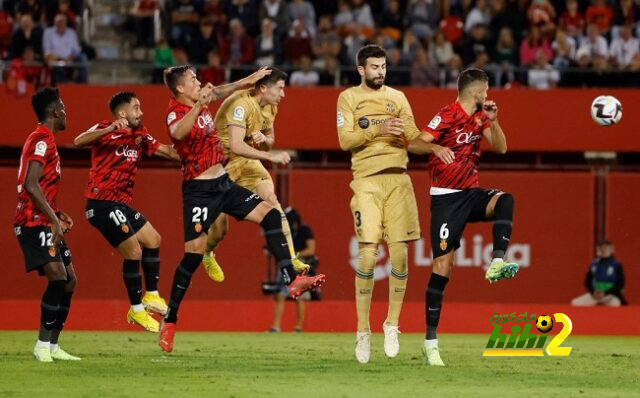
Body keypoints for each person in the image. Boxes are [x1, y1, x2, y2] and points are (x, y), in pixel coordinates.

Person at [159, 65, 325, 352]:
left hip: (223, 183)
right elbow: (177, 132)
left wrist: (245, 81)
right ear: (180, 89)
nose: (199, 82)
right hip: (199, 192)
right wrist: (199, 104)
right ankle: (170, 319)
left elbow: (220, 91)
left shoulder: (206, 100)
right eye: (192, 80)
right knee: (191, 259)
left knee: (271, 212)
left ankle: (292, 279)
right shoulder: (176, 110)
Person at [408, 68, 519, 366]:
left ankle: (496, 260)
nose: (489, 95)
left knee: (505, 200)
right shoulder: (447, 114)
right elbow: (414, 143)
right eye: (487, 89)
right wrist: (435, 145)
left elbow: (502, 147)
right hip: (445, 201)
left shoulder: (481, 117)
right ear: (477, 91)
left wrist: (494, 122)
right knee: (442, 269)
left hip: (470, 194)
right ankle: (430, 342)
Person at [337, 45, 422, 364]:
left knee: (400, 254)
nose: (380, 71)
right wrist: (378, 128)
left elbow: (413, 136)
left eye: (383, 66)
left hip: (399, 178)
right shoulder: (348, 98)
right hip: (367, 180)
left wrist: (435, 143)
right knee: (369, 254)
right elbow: (345, 140)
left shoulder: (398, 98)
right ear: (361, 69)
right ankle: (362, 330)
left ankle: (392, 324)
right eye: (374, 67)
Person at [74, 91, 180, 332]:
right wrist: (110, 128)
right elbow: (79, 140)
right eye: (136, 108)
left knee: (153, 239)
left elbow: (167, 151)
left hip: (120, 204)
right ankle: (136, 309)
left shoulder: (139, 134)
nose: (141, 112)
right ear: (123, 113)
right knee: (133, 251)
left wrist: (195, 149)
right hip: (101, 203)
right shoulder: (105, 128)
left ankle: (151, 295)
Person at [201, 67, 314, 282]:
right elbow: (235, 145)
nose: (283, 94)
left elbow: (270, 140)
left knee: (272, 201)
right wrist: (271, 158)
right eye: (280, 89)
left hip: (248, 163)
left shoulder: (270, 107)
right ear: (263, 87)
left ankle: (291, 257)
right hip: (220, 167)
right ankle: (207, 253)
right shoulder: (240, 104)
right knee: (220, 230)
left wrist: (265, 141)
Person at [14, 87, 80, 362]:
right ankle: (41, 345)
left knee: (70, 279)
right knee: (57, 275)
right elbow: (30, 184)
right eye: (63, 107)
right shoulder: (42, 139)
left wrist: (57, 213)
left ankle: (53, 345)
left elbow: (39, 187)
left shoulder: (46, 139)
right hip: (32, 222)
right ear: (55, 111)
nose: (66, 113)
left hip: (46, 219)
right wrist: (53, 219)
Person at [269, 207, 318, 333]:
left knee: (300, 296)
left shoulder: (304, 230)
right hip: (286, 264)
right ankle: (276, 326)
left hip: (301, 265)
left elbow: (311, 249)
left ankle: (298, 326)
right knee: (280, 295)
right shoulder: (284, 231)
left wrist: (294, 255)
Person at [571, 241, 627, 306]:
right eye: (601, 248)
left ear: (612, 250)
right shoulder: (594, 264)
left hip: (611, 295)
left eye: (606, 248)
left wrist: (605, 293)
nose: (603, 250)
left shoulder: (617, 265)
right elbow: (587, 281)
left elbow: (620, 284)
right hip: (595, 294)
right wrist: (593, 291)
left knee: (615, 305)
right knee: (576, 303)